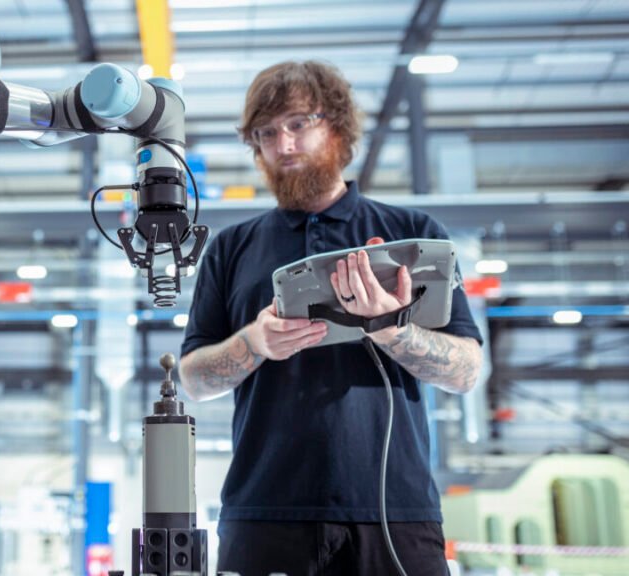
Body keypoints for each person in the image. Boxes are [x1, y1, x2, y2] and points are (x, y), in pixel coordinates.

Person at [178, 60, 484, 576]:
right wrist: (255, 343)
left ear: (338, 127)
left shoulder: (411, 233)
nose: (285, 144)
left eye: (299, 123)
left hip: (394, 514)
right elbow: (192, 379)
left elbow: (466, 371)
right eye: (266, 133)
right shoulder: (232, 248)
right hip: (264, 513)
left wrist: (391, 329)